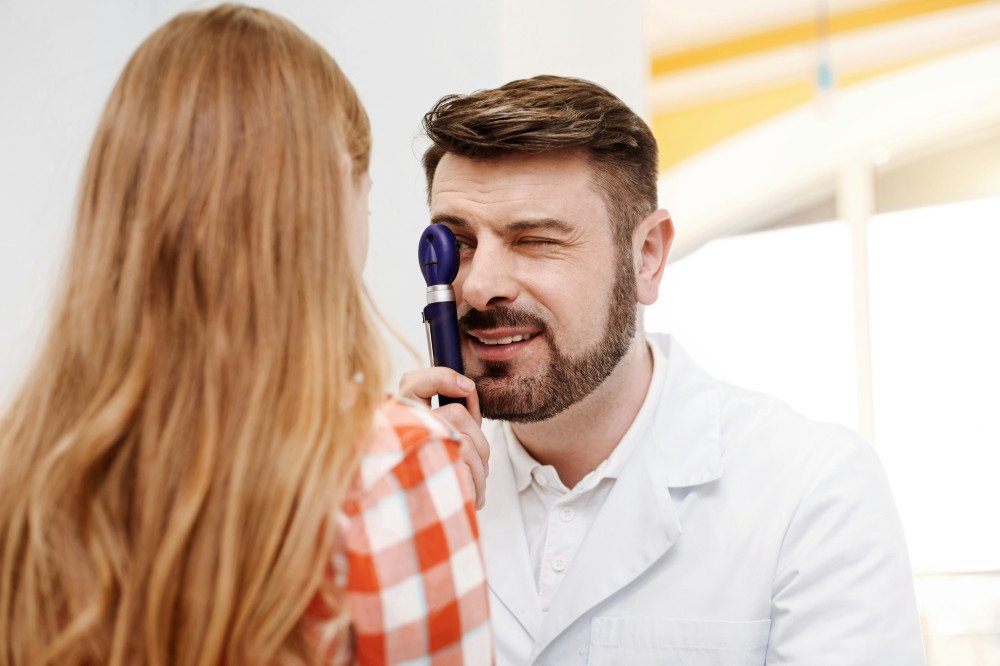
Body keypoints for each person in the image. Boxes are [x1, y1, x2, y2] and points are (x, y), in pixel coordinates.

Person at [0, 6, 491, 666]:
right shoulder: (397, 468)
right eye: (365, 198)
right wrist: (403, 460)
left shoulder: (27, 468)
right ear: (326, 205)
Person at [401, 75, 926, 665]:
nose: (478, 285)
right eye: (458, 243)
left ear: (647, 257)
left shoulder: (815, 490)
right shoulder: (407, 484)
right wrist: (371, 519)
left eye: (536, 240)